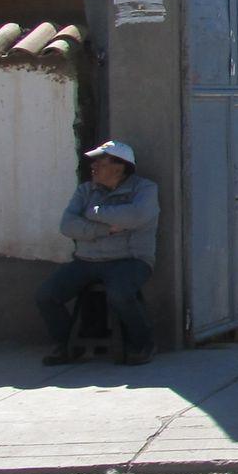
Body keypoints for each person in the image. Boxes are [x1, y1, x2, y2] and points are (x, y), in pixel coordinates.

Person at [36, 140, 161, 367]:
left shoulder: (145, 189)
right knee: (47, 295)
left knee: (120, 294)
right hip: (86, 260)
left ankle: (143, 344)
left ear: (119, 167)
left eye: (100, 162)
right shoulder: (86, 190)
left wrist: (94, 212)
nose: (93, 166)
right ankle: (66, 345)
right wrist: (106, 229)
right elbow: (68, 225)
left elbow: (136, 217)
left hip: (130, 260)